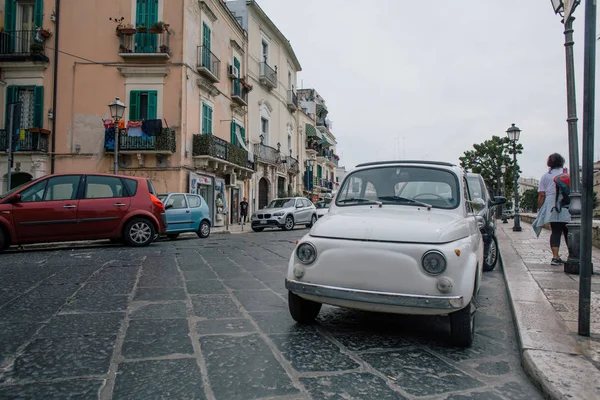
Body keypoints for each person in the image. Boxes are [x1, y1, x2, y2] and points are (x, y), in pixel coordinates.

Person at [533, 153, 571, 265]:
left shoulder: (545, 176)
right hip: (567, 205)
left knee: (556, 231)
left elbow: (541, 194)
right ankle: (572, 255)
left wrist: (540, 208)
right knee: (568, 231)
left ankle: (555, 257)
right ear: (561, 161)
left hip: (552, 205)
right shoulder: (567, 173)